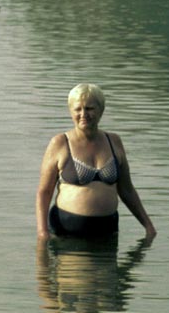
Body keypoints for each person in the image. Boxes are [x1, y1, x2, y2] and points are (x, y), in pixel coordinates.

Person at [36, 83, 157, 240]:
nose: (83, 114)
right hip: (67, 234)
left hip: (107, 232)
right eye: (78, 109)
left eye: (90, 108)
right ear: (70, 111)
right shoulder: (60, 143)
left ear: (101, 110)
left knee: (107, 265)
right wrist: (42, 232)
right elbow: (44, 192)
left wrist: (148, 226)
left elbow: (127, 190)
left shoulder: (114, 141)